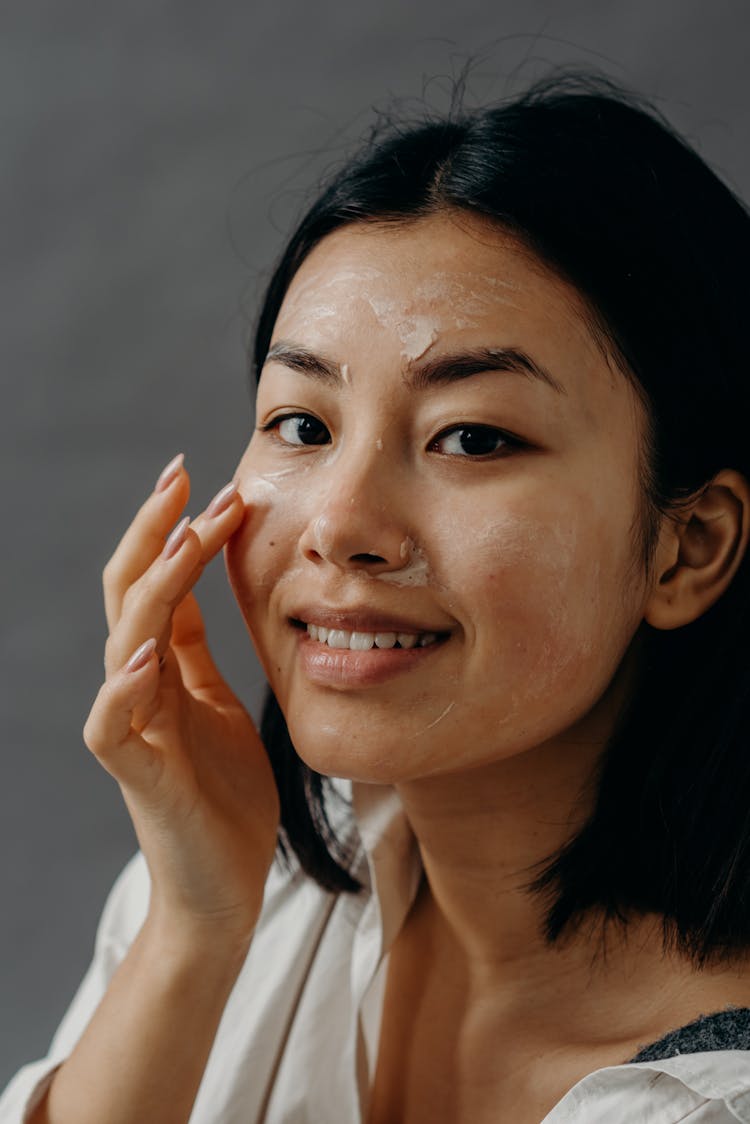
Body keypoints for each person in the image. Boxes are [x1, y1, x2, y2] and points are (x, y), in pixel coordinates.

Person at [3, 71, 750, 1123]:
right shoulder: (243, 884)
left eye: (474, 436)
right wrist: (193, 925)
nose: (341, 524)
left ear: (688, 547)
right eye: (302, 425)